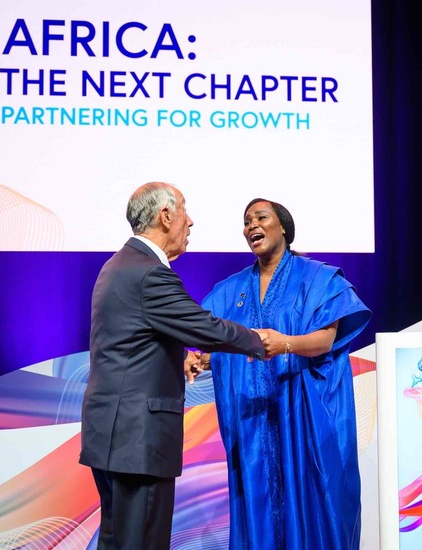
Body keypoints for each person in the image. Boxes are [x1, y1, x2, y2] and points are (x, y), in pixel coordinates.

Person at [79, 182, 267, 549]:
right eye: (184, 210)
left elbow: (130, 339)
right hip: (138, 441)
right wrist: (261, 341)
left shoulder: (117, 265)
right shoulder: (149, 273)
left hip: (111, 436)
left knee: (119, 542)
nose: (190, 221)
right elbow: (205, 327)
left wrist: (177, 358)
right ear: (165, 216)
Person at [197, 198, 371, 549]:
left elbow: (326, 339)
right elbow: (220, 341)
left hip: (304, 412)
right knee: (259, 504)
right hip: (255, 421)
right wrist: (202, 358)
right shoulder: (231, 290)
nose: (251, 225)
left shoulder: (317, 278)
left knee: (316, 500)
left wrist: (286, 344)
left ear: (284, 228)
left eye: (261, 217)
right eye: (246, 221)